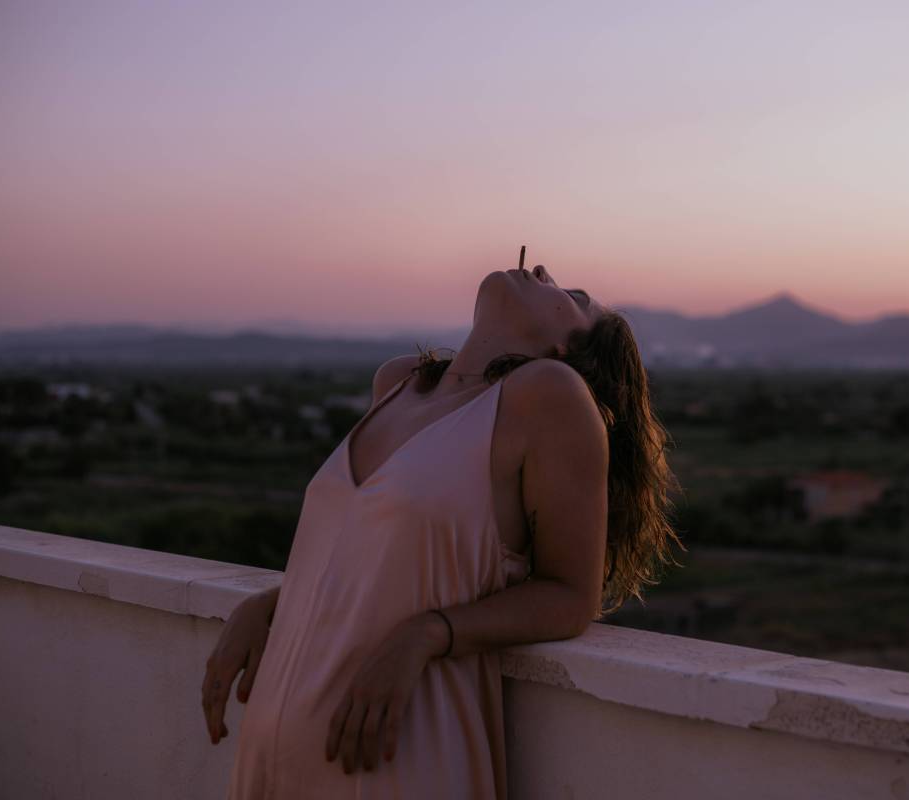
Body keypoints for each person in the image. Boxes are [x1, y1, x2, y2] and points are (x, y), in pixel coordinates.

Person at [202, 261, 684, 799]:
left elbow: (571, 595)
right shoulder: (397, 382)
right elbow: (379, 558)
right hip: (275, 755)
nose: (544, 268)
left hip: (395, 753)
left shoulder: (548, 394)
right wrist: (269, 605)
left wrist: (427, 633)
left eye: (572, 295)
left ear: (567, 351)